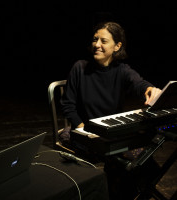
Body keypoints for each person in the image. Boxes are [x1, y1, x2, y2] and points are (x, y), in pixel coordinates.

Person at [60, 22, 162, 199]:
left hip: (111, 131)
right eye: (95, 39)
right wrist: (82, 127)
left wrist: (149, 89)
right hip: (84, 130)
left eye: (103, 41)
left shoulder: (122, 70)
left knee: (146, 165)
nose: (97, 44)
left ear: (117, 46)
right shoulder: (80, 67)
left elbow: (139, 83)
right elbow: (68, 105)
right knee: (119, 159)